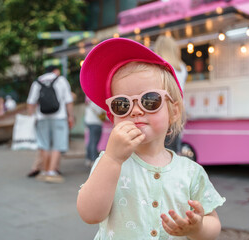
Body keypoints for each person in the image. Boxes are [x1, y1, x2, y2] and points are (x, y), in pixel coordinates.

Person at [77, 38, 225, 239]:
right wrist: (112, 159)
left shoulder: (191, 172)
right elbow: (90, 214)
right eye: (122, 104)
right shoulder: (108, 163)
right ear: (113, 116)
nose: (136, 111)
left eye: (150, 101)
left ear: (173, 111)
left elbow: (213, 223)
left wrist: (197, 229)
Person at [27, 65, 75, 183]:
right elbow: (69, 101)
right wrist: (71, 116)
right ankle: (51, 171)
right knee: (57, 145)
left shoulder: (37, 82)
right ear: (56, 71)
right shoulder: (61, 80)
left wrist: (31, 117)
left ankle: (45, 170)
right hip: (59, 117)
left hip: (42, 117)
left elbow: (30, 102)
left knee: (44, 144)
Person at [154, 35, 188, 154]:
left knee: (161, 148)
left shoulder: (159, 67)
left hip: (164, 108)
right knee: (174, 146)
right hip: (179, 108)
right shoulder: (182, 67)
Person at [84, 97, 106, 167]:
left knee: (90, 141)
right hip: (96, 123)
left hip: (88, 121)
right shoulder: (97, 101)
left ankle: (88, 158)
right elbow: (101, 113)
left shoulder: (89, 102)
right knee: (94, 142)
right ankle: (94, 160)